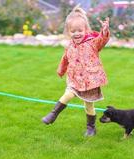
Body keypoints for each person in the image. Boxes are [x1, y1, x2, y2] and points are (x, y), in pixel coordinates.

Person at [42, 6, 110, 136]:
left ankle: (91, 128)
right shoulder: (70, 45)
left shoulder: (92, 43)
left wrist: (105, 31)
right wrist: (61, 70)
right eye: (73, 31)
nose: (77, 33)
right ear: (69, 32)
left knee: (89, 105)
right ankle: (53, 114)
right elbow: (65, 59)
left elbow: (102, 40)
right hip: (74, 78)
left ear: (86, 30)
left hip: (90, 81)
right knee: (68, 94)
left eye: (80, 30)